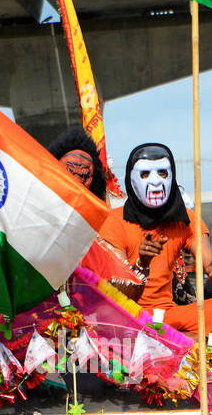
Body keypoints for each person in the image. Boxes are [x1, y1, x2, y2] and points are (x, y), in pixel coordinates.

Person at [105, 143, 212, 349]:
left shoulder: (186, 219)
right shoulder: (114, 221)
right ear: (131, 179)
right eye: (146, 174)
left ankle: (208, 350)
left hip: (170, 316)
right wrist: (142, 264)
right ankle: (191, 343)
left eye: (163, 173)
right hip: (131, 320)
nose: (156, 182)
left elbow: (211, 268)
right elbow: (117, 294)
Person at [48, 127, 145, 299]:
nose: (76, 182)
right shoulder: (34, 217)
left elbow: (126, 289)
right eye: (69, 171)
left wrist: (144, 263)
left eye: (84, 175)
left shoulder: (98, 232)